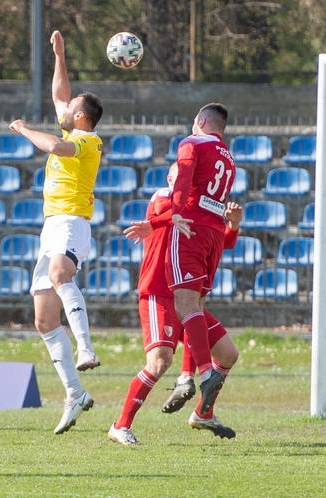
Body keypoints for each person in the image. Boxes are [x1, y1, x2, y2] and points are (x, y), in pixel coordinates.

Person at [9, 30, 104, 434]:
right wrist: (60, 56)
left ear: (80, 117)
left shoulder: (86, 141)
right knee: (44, 319)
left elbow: (54, 148)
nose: (62, 110)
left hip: (70, 222)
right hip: (53, 226)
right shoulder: (73, 126)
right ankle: (74, 392)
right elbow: (60, 95)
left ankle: (85, 345)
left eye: (70, 110)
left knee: (60, 276)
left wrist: (24, 130)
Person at [114, 164, 240, 444]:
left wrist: (232, 224)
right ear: (171, 179)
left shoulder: (196, 208)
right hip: (159, 291)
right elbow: (168, 214)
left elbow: (223, 242)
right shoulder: (162, 197)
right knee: (159, 361)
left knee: (228, 354)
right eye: (179, 175)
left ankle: (202, 413)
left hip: (184, 295)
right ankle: (120, 426)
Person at [166, 103, 237, 423]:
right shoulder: (230, 160)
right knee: (194, 305)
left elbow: (183, 175)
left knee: (184, 304)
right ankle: (187, 376)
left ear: (202, 121)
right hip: (213, 234)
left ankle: (204, 371)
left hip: (190, 227)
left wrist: (177, 208)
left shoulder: (192, 143)